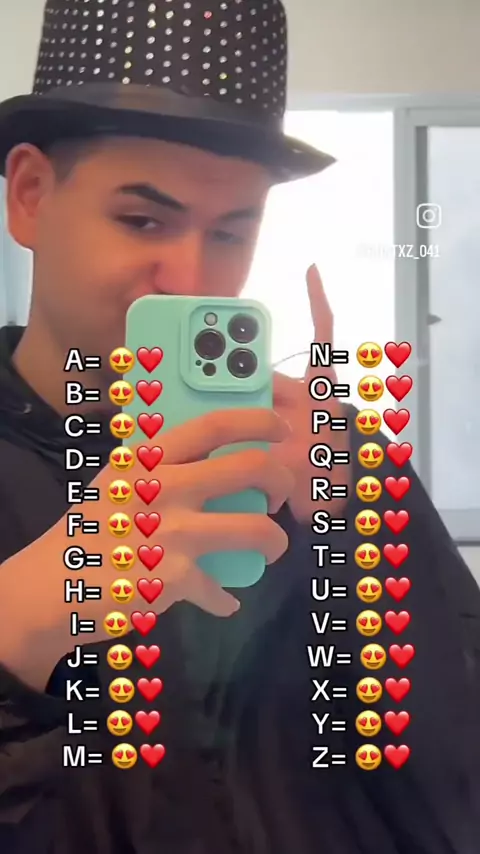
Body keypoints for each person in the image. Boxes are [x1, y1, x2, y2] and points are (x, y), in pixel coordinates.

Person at [0, 1, 479, 852]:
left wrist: (356, 542)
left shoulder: (333, 460)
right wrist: (14, 632)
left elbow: (453, 786)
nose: (191, 279)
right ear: (31, 196)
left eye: (230, 232)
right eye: (142, 220)